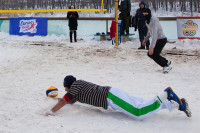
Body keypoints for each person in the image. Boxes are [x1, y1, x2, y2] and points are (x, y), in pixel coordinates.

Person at [44, 75, 191, 120]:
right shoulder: (77, 90)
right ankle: (177, 104)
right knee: (142, 103)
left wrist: (51, 111)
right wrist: (53, 99)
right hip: (112, 93)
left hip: (111, 97)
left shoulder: (76, 85)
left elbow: (65, 100)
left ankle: (166, 94)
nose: (66, 91)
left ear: (69, 85)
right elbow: (65, 100)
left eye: (65, 88)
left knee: (138, 113)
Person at [142, 8, 172, 73]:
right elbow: (150, 32)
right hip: (157, 40)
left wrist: (151, 47)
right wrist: (145, 40)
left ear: (149, 13)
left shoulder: (153, 21)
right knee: (150, 54)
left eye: (146, 13)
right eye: (144, 14)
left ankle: (166, 66)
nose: (145, 15)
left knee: (154, 55)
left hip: (161, 39)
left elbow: (155, 35)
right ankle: (166, 62)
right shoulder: (147, 22)